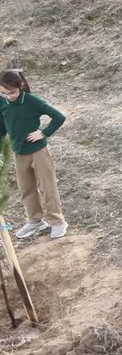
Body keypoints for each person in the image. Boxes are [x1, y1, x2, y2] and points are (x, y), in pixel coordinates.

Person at [0, 70, 69, 239]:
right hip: (18, 152)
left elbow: (59, 117)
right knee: (26, 189)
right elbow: (1, 126)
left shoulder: (32, 102)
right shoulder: (2, 101)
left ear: (21, 86)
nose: (8, 96)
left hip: (38, 152)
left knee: (47, 187)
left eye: (12, 92)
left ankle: (57, 221)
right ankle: (35, 221)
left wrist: (43, 133)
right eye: (3, 92)